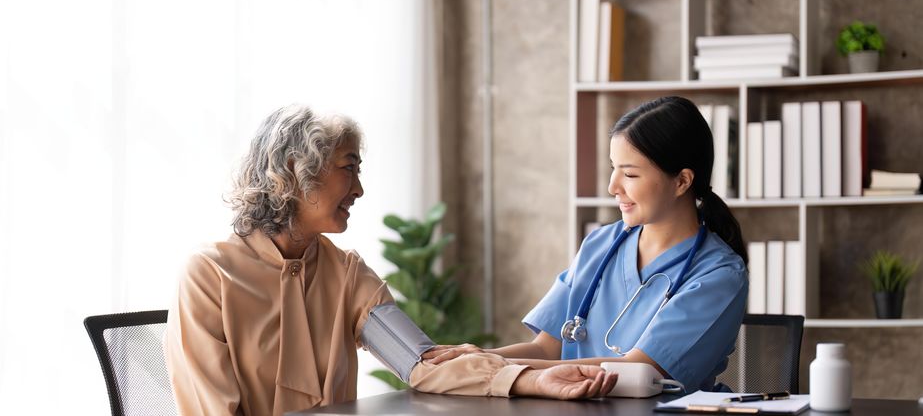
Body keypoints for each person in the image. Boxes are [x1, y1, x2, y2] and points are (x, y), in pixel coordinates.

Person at [163, 105, 617, 416]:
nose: (358, 189)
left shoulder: (347, 274)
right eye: (348, 168)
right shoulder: (209, 275)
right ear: (295, 172)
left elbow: (421, 363)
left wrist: (533, 381)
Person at [425, 96, 749, 393]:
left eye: (630, 175)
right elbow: (546, 348)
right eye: (613, 169)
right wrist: (479, 356)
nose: (612, 187)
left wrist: (497, 368)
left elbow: (642, 370)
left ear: (681, 181)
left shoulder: (719, 275)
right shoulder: (601, 244)